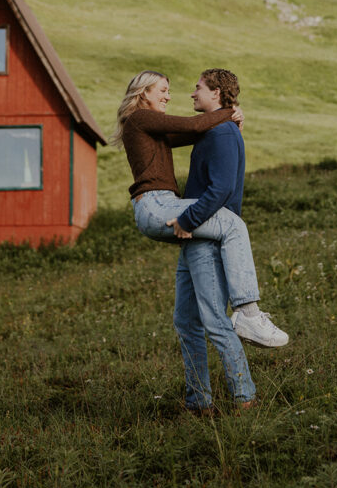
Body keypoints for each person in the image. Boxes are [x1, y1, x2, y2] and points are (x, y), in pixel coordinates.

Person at [111, 69, 288, 348]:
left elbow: (196, 133)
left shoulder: (150, 126)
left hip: (160, 202)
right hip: (156, 202)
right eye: (163, 91)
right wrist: (229, 112)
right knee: (233, 223)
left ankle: (209, 386)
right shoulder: (140, 117)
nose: (170, 96)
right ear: (144, 92)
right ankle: (248, 313)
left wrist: (226, 121)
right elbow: (193, 127)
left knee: (188, 319)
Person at [174, 68, 278, 413]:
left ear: (216, 93)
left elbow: (222, 189)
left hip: (203, 236)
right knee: (186, 321)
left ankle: (244, 397)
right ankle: (198, 401)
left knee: (215, 321)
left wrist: (187, 219)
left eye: (198, 87)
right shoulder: (214, 128)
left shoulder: (221, 133)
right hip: (194, 239)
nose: (192, 93)